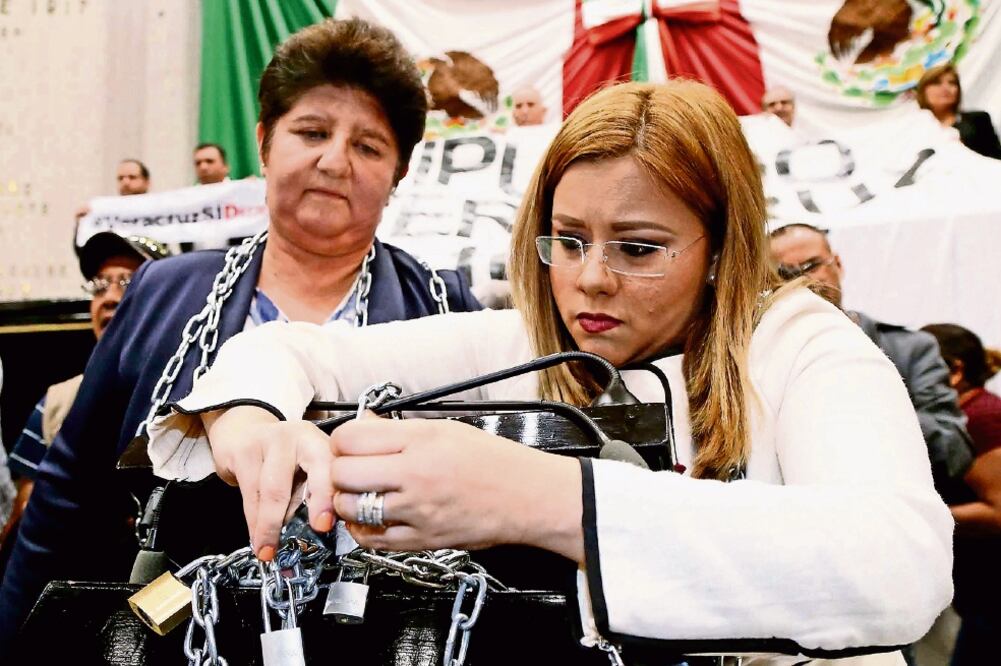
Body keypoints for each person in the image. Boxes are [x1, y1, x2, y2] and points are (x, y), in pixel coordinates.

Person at [148, 80, 952, 660]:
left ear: (720, 251)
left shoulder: (804, 348)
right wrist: (249, 417)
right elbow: (289, 348)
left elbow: (899, 563)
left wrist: (545, 500)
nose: (591, 279)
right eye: (566, 241)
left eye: (637, 249)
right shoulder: (520, 341)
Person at [0, 17, 481, 651]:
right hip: (174, 632)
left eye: (368, 146)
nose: (334, 160)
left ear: (398, 175)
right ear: (264, 142)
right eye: (311, 132)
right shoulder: (162, 294)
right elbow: (67, 498)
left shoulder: (444, 307)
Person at [769, 222, 974, 500]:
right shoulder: (764, 359)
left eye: (812, 265)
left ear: (837, 264)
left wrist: (863, 410)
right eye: (786, 273)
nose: (803, 280)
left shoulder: (910, 349)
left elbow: (954, 454)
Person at [2, 233, 170, 537]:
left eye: (129, 283)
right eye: (100, 285)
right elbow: (26, 522)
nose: (110, 298)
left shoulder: (197, 393)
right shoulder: (57, 402)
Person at [920, 323, 1001, 666]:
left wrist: (920, 513)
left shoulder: (982, 420)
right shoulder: (966, 418)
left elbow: (998, 512)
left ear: (954, 371)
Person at [915, 63, 1001, 160]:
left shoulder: (978, 119)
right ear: (923, 91)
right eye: (937, 83)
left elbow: (997, 158)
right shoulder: (913, 129)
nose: (945, 88)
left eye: (952, 83)